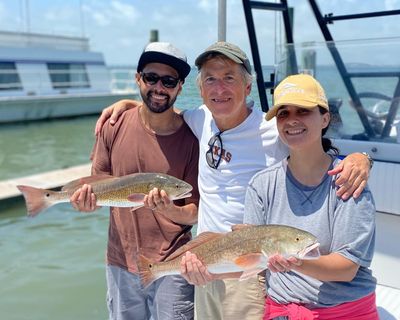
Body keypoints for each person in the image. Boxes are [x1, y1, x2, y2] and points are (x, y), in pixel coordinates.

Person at [94, 42, 373, 320]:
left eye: (229, 78)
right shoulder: (199, 119)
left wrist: (360, 159)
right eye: (210, 80)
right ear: (200, 91)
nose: (219, 89)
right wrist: (129, 103)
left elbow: (310, 139)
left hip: (249, 269)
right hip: (203, 260)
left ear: (248, 87)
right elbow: (162, 110)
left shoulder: (272, 130)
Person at [70, 42, 200, 320]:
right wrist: (85, 203)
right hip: (120, 261)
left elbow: (195, 212)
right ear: (137, 77)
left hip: (173, 264)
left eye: (168, 81)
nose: (159, 88)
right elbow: (99, 182)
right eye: (151, 77)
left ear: (180, 86)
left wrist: (168, 209)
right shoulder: (112, 124)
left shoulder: (193, 139)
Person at [244, 74, 378, 319]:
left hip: (344, 311)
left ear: (325, 118)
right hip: (281, 311)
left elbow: (347, 268)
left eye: (303, 111)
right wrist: (201, 269)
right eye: (283, 113)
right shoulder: (260, 185)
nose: (291, 120)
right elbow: (248, 255)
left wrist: (295, 262)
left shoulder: (349, 181)